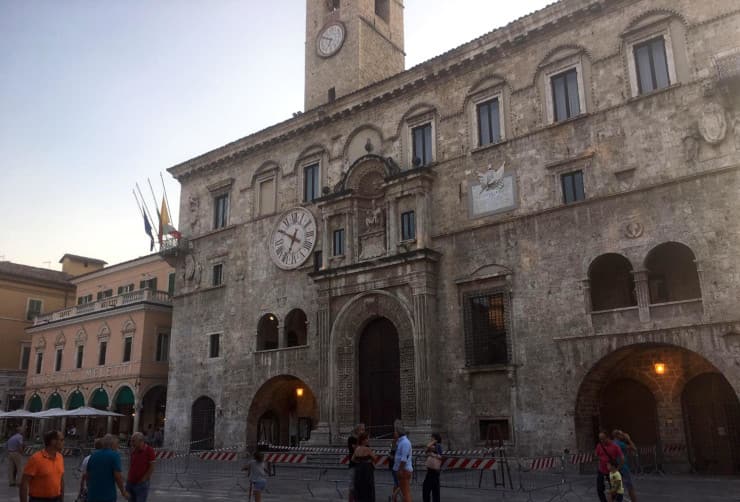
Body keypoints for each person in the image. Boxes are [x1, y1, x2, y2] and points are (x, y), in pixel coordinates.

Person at [19, 429, 65, 502]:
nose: (63, 442)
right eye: (61, 440)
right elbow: (24, 483)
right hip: (38, 499)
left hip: (56, 498)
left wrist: (62, 498)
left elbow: (61, 479)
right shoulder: (36, 458)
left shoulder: (60, 457)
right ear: (53, 441)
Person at [86, 434, 128, 502]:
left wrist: (89, 488)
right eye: (117, 443)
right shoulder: (114, 455)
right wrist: (123, 491)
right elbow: (117, 476)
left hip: (92, 495)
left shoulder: (93, 455)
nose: (118, 446)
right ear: (112, 444)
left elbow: (87, 475)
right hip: (107, 496)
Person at [126, 432, 156, 502]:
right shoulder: (133, 450)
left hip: (141, 483)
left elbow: (152, 467)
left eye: (133, 441)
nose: (131, 443)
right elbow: (131, 465)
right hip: (131, 482)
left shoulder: (149, 450)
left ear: (141, 441)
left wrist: (144, 479)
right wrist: (128, 478)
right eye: (131, 441)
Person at [594, 432, 623, 502]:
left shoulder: (615, 446)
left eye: (603, 439)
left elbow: (622, 458)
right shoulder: (599, 445)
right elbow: (596, 455)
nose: (602, 441)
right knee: (600, 489)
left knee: (615, 490)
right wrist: (599, 459)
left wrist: (618, 469)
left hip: (612, 472)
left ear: (608, 437)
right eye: (600, 439)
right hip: (601, 471)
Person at [611, 430, 638, 502]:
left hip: (614, 468)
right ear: (618, 436)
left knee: (615, 488)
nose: (623, 436)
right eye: (621, 434)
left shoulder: (611, 443)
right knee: (630, 487)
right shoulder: (620, 444)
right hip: (623, 467)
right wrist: (629, 439)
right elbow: (634, 448)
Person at [352, 433, 377, 502]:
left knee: (359, 485)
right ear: (363, 440)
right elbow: (375, 458)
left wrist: (359, 461)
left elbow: (352, 459)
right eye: (367, 439)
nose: (368, 440)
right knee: (368, 486)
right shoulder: (367, 449)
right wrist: (369, 459)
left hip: (359, 468)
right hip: (367, 469)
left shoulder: (357, 449)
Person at [392, 420, 413, 502]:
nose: (394, 433)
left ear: (398, 433)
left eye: (395, 432)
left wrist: (400, 470)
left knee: (405, 492)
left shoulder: (405, 443)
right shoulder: (400, 442)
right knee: (402, 491)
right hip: (400, 470)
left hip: (404, 470)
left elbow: (404, 458)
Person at [422, 433, 443, 502]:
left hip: (434, 470)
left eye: (432, 438)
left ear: (435, 438)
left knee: (428, 488)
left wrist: (432, 454)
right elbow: (425, 450)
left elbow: (440, 456)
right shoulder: (432, 445)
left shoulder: (438, 445)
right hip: (430, 470)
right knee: (432, 488)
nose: (431, 439)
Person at [347, 423, 365, 502]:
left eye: (364, 429)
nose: (363, 431)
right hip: (354, 465)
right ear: (357, 430)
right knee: (352, 486)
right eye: (362, 429)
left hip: (362, 465)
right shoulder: (351, 439)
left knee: (361, 485)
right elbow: (355, 450)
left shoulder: (363, 440)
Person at [389, 430, 400, 502]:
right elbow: (390, 454)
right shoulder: (394, 443)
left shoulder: (397, 443)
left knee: (396, 483)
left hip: (395, 465)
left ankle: (394, 498)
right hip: (395, 465)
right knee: (399, 484)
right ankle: (393, 497)